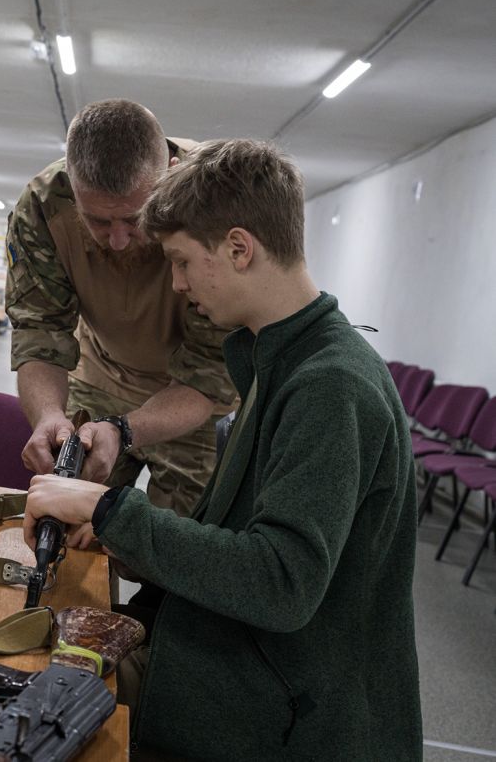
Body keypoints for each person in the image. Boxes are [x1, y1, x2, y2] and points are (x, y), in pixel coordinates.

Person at [23, 139, 422, 760]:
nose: (177, 284)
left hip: (287, 720)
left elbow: (279, 582)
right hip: (240, 671)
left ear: (239, 248)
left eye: (182, 261)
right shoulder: (282, 362)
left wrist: (109, 511)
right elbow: (237, 541)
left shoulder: (329, 386)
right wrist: (132, 543)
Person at [6, 99, 235, 521]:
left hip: (196, 404)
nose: (117, 240)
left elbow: (208, 373)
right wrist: (49, 417)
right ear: (73, 189)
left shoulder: (216, 205)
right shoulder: (43, 205)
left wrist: (126, 430)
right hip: (101, 373)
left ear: (167, 170)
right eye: (96, 221)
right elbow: (39, 332)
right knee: (67, 524)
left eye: (134, 219)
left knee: (180, 552)